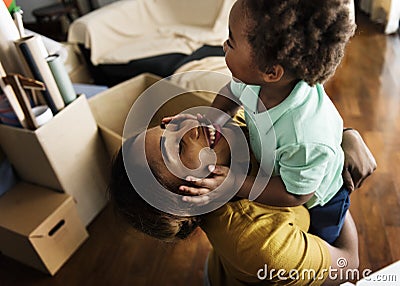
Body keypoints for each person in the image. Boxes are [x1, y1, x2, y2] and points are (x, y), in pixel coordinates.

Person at [164, 0, 358, 244]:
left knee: (317, 239)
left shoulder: (303, 136)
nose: (223, 45)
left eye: (231, 42)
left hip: (320, 199)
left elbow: (295, 193)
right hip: (284, 164)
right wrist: (212, 119)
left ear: (271, 72)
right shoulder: (255, 80)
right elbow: (232, 92)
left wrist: (237, 184)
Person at [108, 116, 376, 285]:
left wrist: (345, 134)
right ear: (189, 202)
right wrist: (334, 184)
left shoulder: (228, 131)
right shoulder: (262, 246)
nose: (191, 125)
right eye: (177, 149)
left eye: (170, 125)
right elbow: (348, 264)